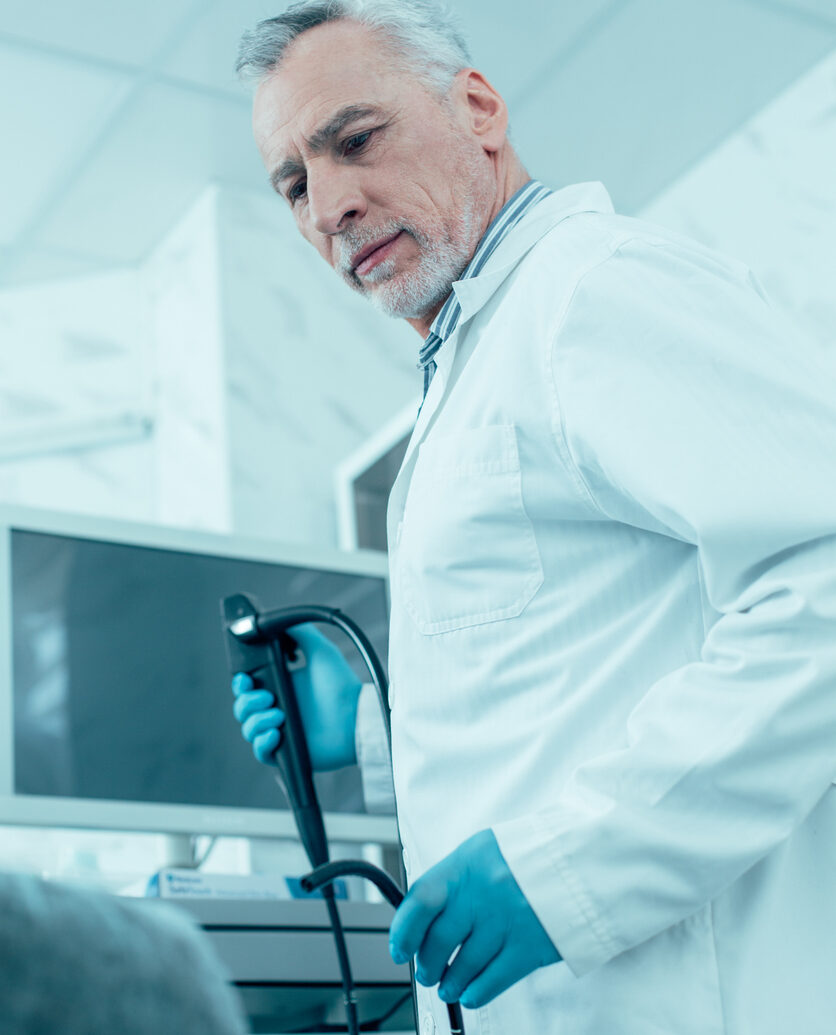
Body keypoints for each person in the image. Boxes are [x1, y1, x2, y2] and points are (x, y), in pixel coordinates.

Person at [230, 2, 836, 1033]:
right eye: (294, 182)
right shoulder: (482, 356)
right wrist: (369, 734)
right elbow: (578, 665)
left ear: (476, 108)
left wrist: (569, 873)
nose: (329, 202)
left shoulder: (590, 290)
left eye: (355, 140)